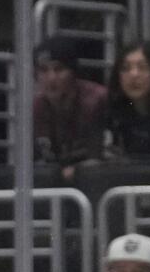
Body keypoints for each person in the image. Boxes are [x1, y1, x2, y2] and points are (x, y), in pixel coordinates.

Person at [34, 38, 107, 177]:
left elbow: (105, 160)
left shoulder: (98, 100)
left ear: (74, 72)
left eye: (59, 69)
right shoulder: (36, 108)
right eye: (43, 70)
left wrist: (75, 172)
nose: (51, 78)